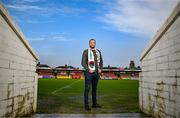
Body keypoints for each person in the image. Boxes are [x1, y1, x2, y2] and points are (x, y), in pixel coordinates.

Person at [81, 38, 103, 111]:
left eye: (93, 42)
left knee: (94, 89)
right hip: (89, 73)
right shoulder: (86, 51)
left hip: (97, 73)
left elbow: (101, 62)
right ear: (89, 44)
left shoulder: (98, 51)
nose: (92, 44)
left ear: (95, 43)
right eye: (91, 42)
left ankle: (94, 104)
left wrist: (100, 69)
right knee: (87, 89)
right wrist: (88, 69)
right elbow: (83, 62)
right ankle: (86, 104)